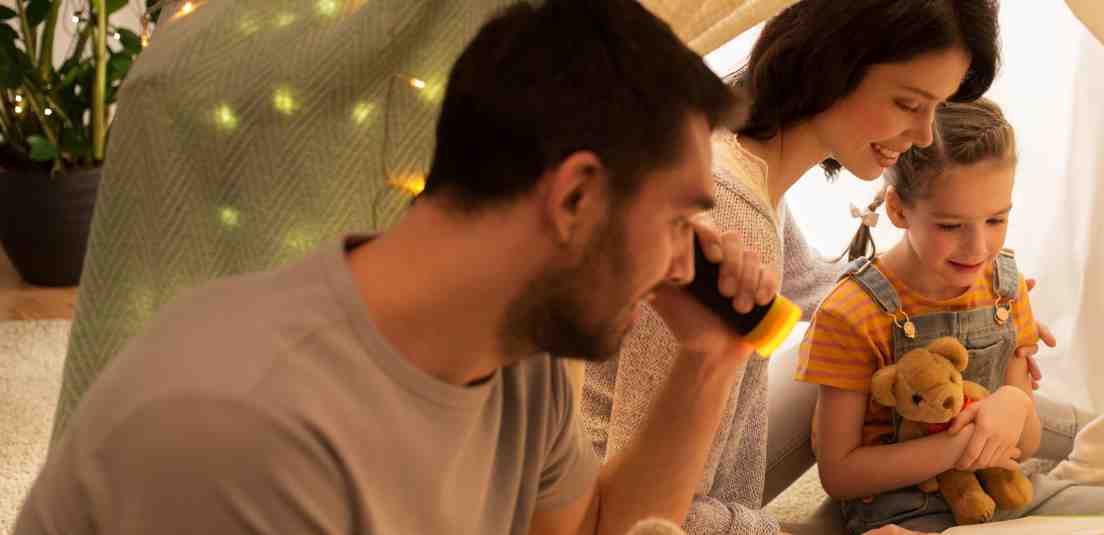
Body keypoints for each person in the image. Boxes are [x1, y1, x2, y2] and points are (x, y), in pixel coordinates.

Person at [13, 2, 775, 534]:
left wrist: (710, 355)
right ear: (574, 194)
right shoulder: (243, 429)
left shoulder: (516, 357)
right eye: (678, 219)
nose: (686, 260)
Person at [579, 2, 1033, 535]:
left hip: (696, 480)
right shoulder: (726, 211)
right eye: (909, 103)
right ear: (830, 65)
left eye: (935, 107)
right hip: (626, 505)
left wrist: (972, 299)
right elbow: (644, 520)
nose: (926, 135)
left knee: (955, 374)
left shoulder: (739, 163)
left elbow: (818, 292)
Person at [799, 100, 1104, 535]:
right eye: (951, 226)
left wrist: (1016, 405)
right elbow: (840, 474)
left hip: (1005, 494)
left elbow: (1023, 447)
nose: (978, 247)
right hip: (904, 515)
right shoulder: (849, 315)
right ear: (898, 211)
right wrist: (962, 446)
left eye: (996, 219)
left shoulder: (1004, 286)